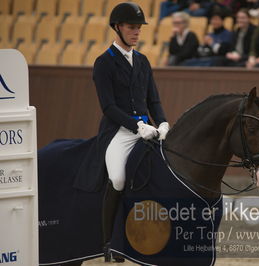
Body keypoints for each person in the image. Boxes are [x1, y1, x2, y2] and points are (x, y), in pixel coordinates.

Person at [93, 2, 170, 262]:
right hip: (118, 132)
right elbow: (108, 107)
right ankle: (107, 242)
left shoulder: (143, 61)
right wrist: (137, 126)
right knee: (117, 179)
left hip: (148, 130)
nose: (136, 32)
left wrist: (162, 123)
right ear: (117, 27)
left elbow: (154, 100)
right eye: (131, 27)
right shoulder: (104, 62)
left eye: (139, 28)